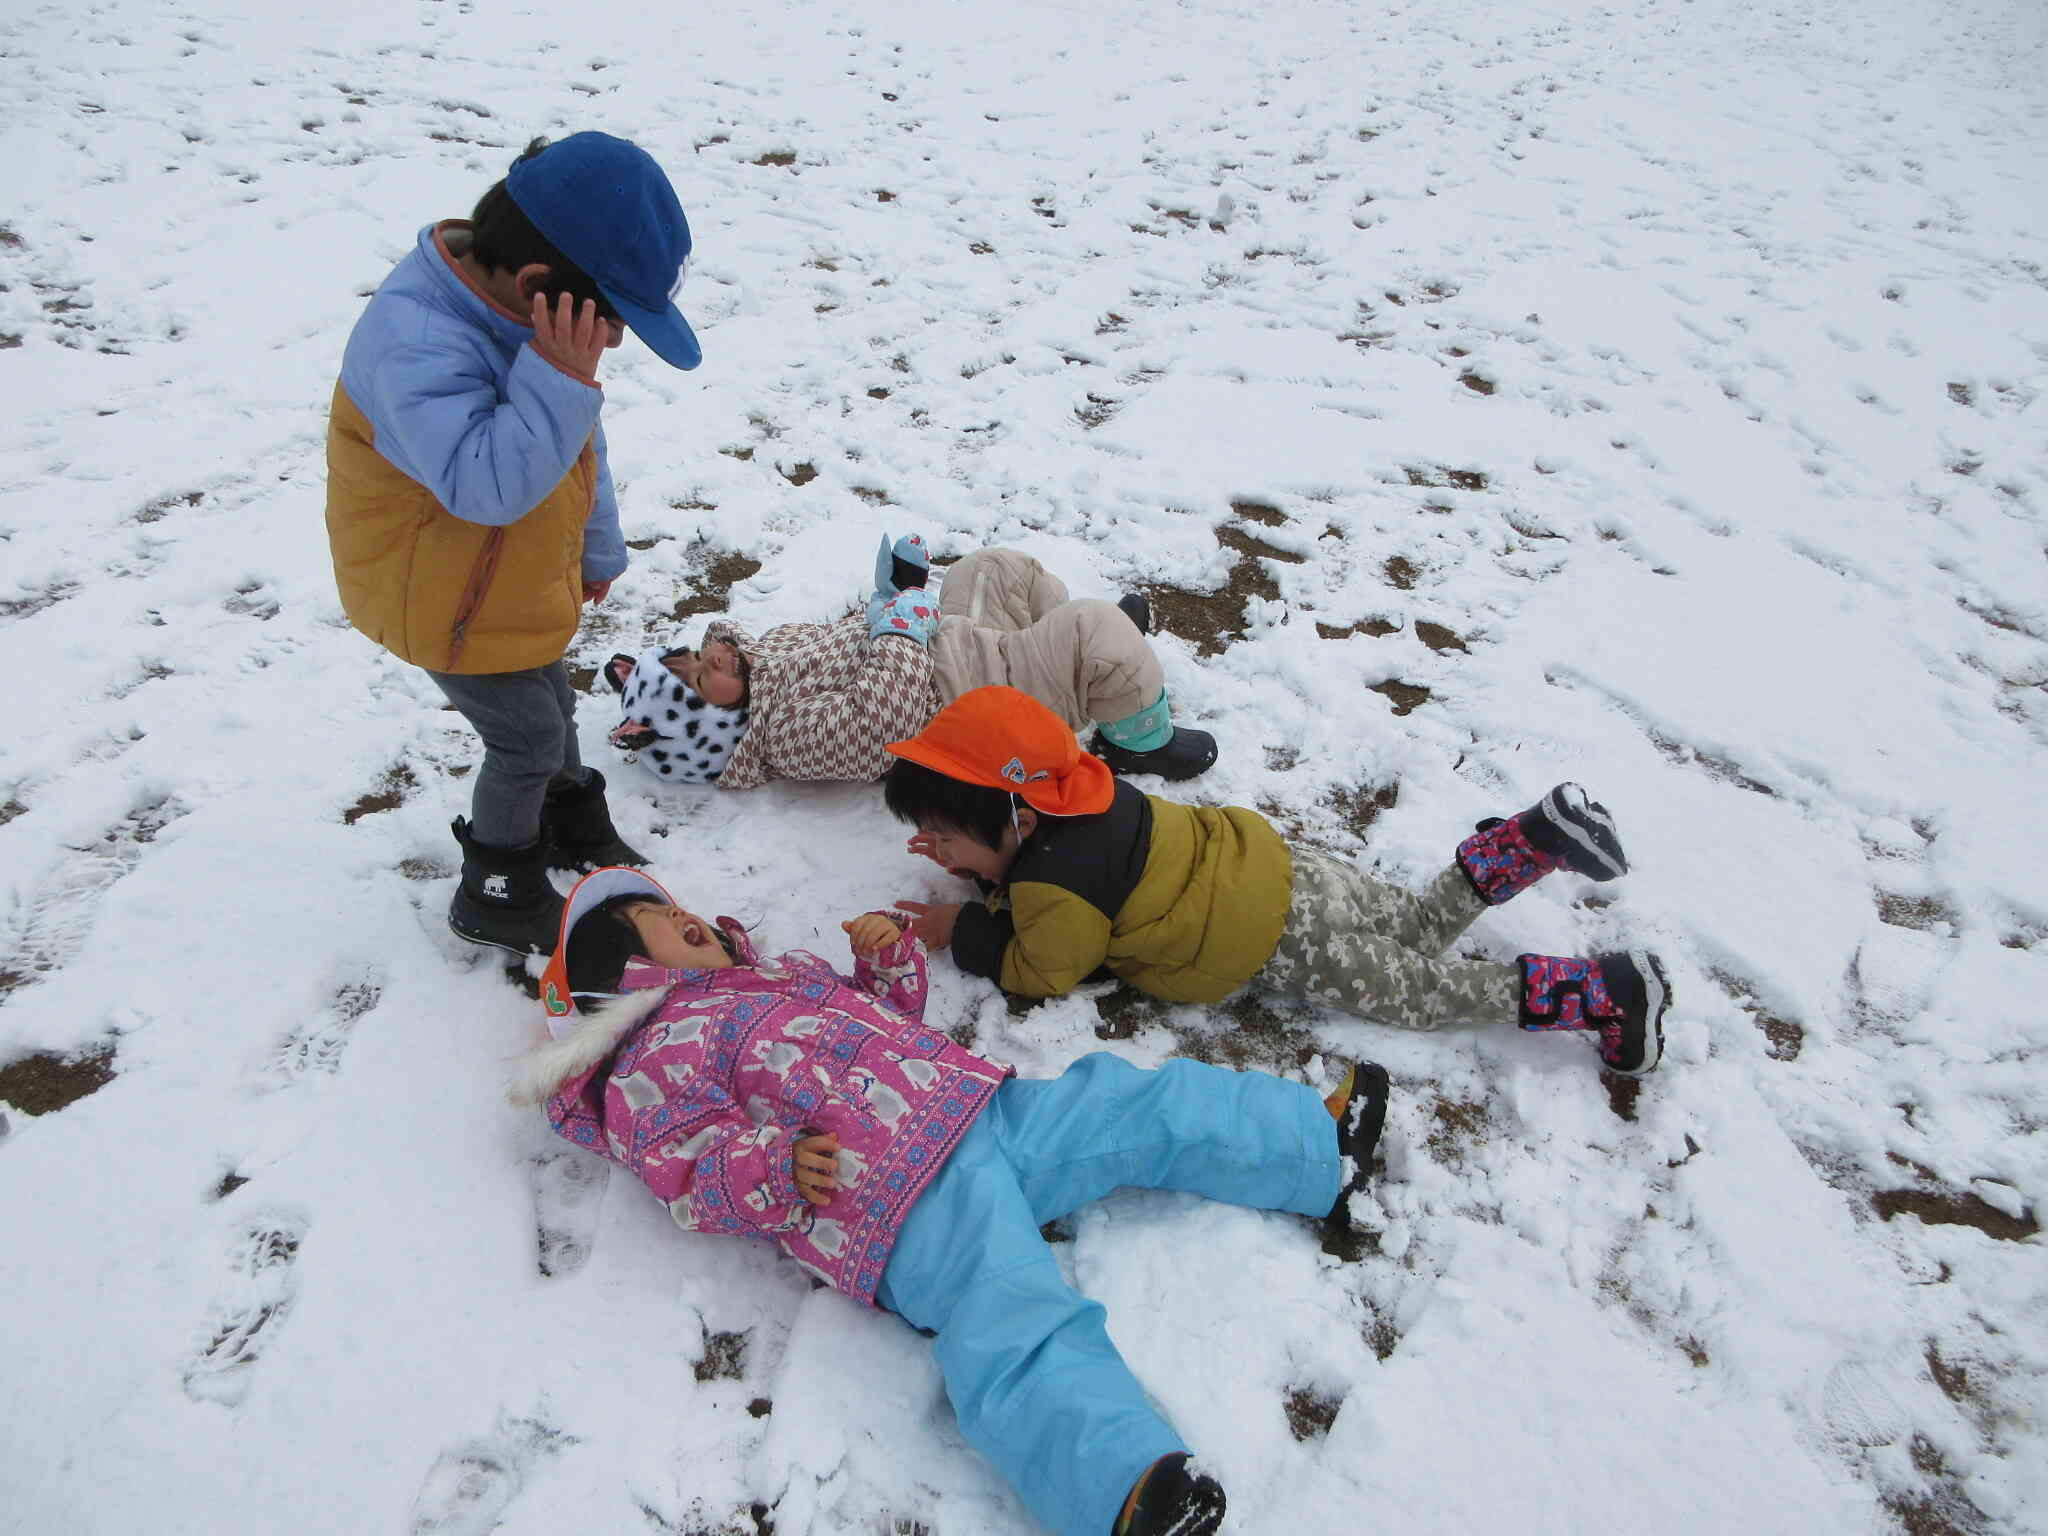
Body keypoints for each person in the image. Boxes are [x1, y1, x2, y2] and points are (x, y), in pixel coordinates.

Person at [512, 867, 1391, 1536]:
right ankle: (1121, 1486)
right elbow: (689, 1174)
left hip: (979, 1109)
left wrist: (883, 964)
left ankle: (1314, 1147)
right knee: (1010, 1312)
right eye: (651, 923)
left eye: (667, 903)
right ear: (621, 980)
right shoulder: (652, 1062)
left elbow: (891, 1020)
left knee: (1126, 1104)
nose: (678, 914)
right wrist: (773, 1166)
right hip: (897, 1206)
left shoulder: (780, 978)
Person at [325, 132, 704, 956]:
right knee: (527, 736)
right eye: (613, 321)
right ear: (538, 287)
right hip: (438, 596)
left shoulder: (528, 334)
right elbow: (486, 486)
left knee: (554, 705)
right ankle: (496, 890)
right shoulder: (416, 343)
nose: (613, 344)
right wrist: (559, 378)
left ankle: (567, 823)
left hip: (502, 580)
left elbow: (575, 451)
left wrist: (595, 548)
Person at [880, 687, 1673, 1076]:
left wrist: (969, 928)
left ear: (1017, 816)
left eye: (948, 838)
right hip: (1289, 870)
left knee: (1426, 989)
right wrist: (978, 861)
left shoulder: (1054, 889)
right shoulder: (1087, 787)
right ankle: (1529, 840)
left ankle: (1605, 994)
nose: (940, 853)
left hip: (1278, 940)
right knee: (1414, 926)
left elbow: (1044, 965)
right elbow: (1026, 863)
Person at [599, 538, 1218, 791]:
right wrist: (898, 624)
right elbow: (881, 728)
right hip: (966, 695)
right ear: (714, 724)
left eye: (702, 656)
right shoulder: (779, 737)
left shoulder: (765, 655)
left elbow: (849, 639)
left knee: (991, 568)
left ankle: (1088, 669)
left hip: (949, 641)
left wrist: (891, 597)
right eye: (708, 677)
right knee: (1095, 628)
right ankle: (1137, 737)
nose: (718, 657)